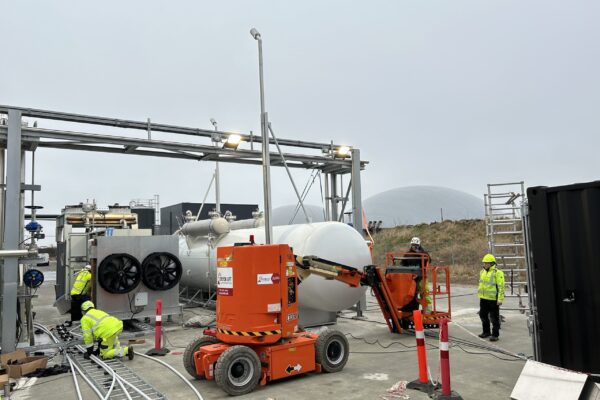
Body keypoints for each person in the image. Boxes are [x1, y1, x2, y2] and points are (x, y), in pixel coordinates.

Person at [400, 237, 432, 313]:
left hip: (421, 277)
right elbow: (402, 265)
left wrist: (420, 253)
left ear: (419, 245)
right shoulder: (407, 255)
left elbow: (428, 260)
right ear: (411, 245)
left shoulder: (423, 254)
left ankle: (427, 312)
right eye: (413, 245)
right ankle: (411, 311)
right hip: (410, 279)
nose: (415, 247)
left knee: (425, 294)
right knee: (411, 295)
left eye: (416, 245)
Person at [478, 254, 505, 342]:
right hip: (483, 298)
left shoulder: (498, 273)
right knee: (482, 315)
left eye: (486, 263)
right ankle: (486, 332)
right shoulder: (482, 272)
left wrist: (500, 299)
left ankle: (495, 334)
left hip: (493, 299)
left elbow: (501, 286)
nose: (484, 264)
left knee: (494, 317)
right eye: (484, 263)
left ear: (492, 263)